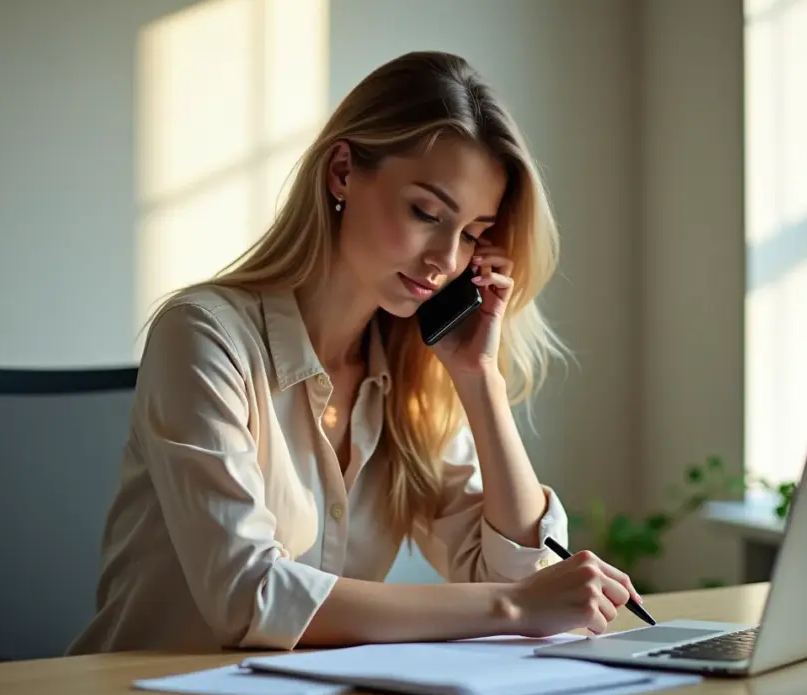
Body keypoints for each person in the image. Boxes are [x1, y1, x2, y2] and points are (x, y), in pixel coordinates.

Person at [67, 50, 639, 656]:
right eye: (426, 212)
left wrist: (480, 380)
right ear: (342, 171)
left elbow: (519, 577)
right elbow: (248, 595)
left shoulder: (409, 377)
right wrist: (515, 606)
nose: (447, 259)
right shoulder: (204, 337)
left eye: (472, 233)